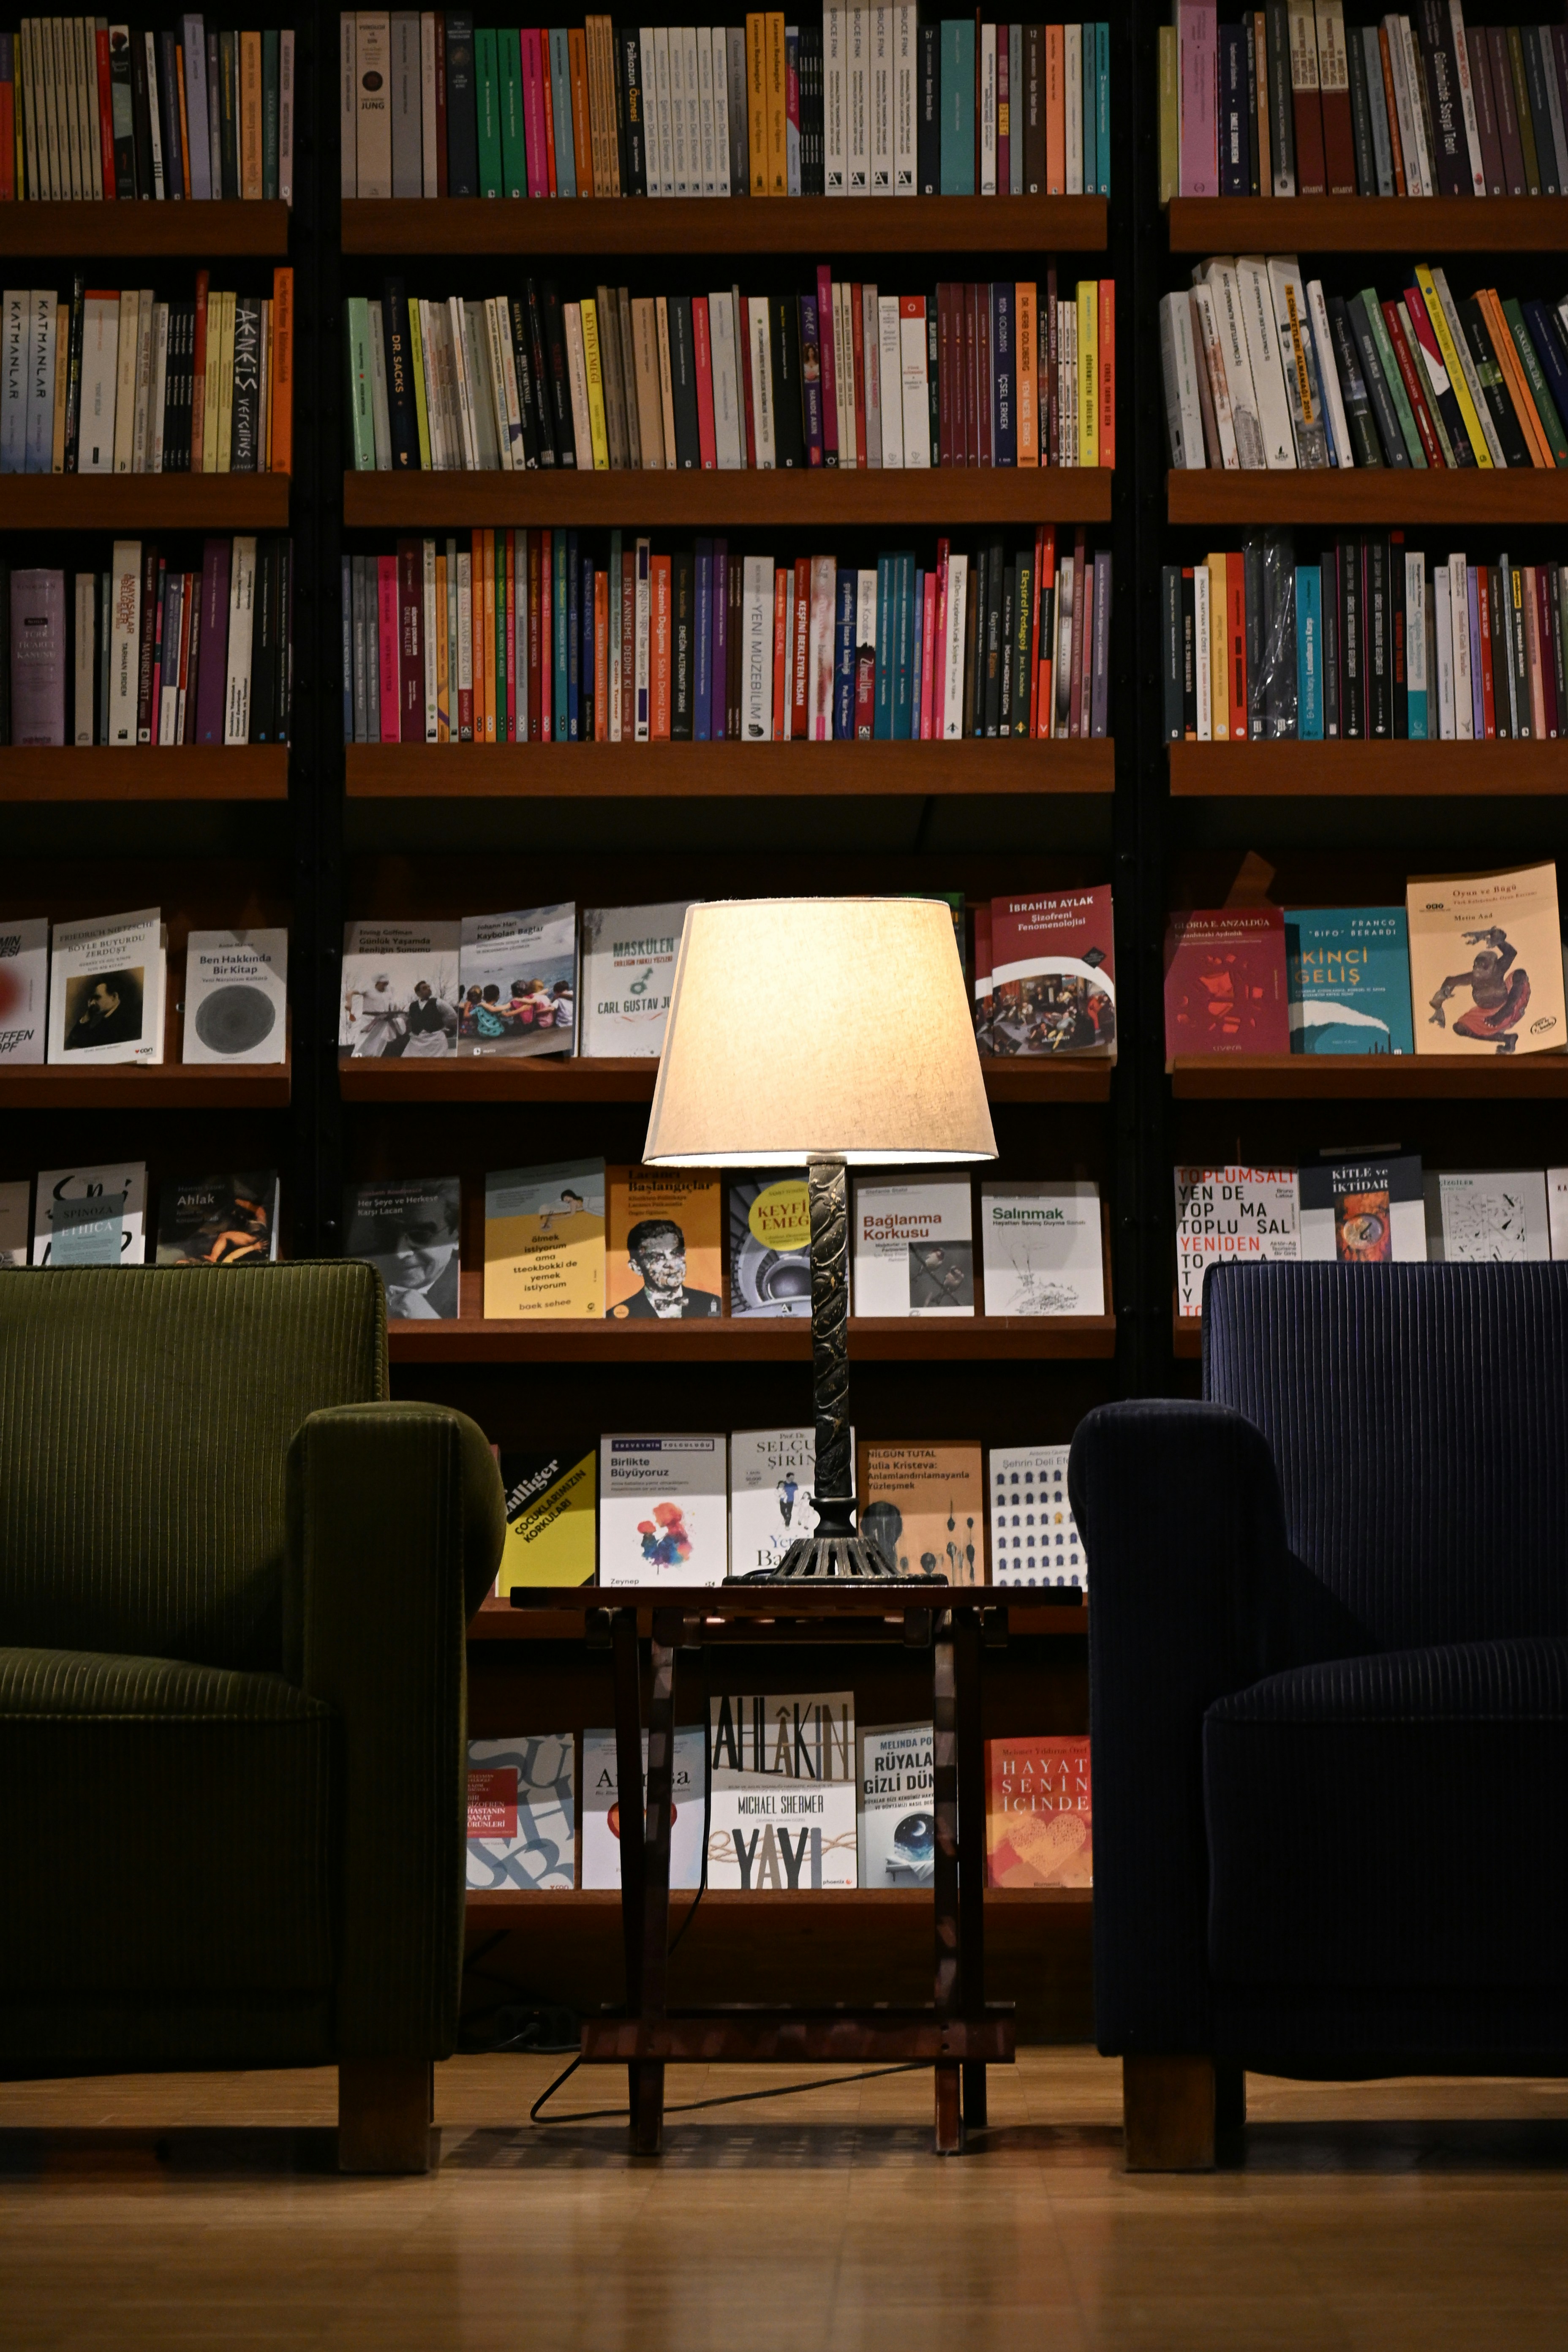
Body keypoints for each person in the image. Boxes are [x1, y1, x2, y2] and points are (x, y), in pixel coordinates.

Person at [1429, 925, 1530, 1053]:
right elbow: (1450, 981)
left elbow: (1511, 953)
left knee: (1520, 973)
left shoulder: (1499, 969)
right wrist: (1438, 1006)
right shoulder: (1473, 977)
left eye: (1482, 966)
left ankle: (1504, 1012)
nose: (1477, 969)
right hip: (1485, 1014)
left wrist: (1494, 938)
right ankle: (1507, 1039)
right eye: (1475, 965)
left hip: (1508, 1007)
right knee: (1459, 1028)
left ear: (1493, 966)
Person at [610, 1216, 723, 1319]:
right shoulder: (616, 1316)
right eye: (657, 1257)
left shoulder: (713, 1303)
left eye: (675, 1253)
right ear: (636, 1267)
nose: (671, 1263)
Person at [378, 1190, 461, 1319]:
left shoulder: (470, 1296)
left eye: (420, 1235)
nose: (399, 1254)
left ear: (457, 1237)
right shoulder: (360, 1273)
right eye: (390, 1234)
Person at [64, 970, 143, 1052]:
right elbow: (72, 1044)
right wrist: (86, 1018)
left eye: (97, 998)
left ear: (114, 997)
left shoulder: (129, 1022)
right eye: (92, 999)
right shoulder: (105, 1021)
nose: (92, 1003)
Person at [400, 977, 458, 1057]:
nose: (428, 989)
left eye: (429, 987)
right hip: (417, 1041)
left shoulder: (439, 1003)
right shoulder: (411, 1006)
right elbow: (403, 1018)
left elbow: (453, 1015)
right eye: (424, 988)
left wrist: (443, 1024)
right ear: (418, 993)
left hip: (436, 1040)